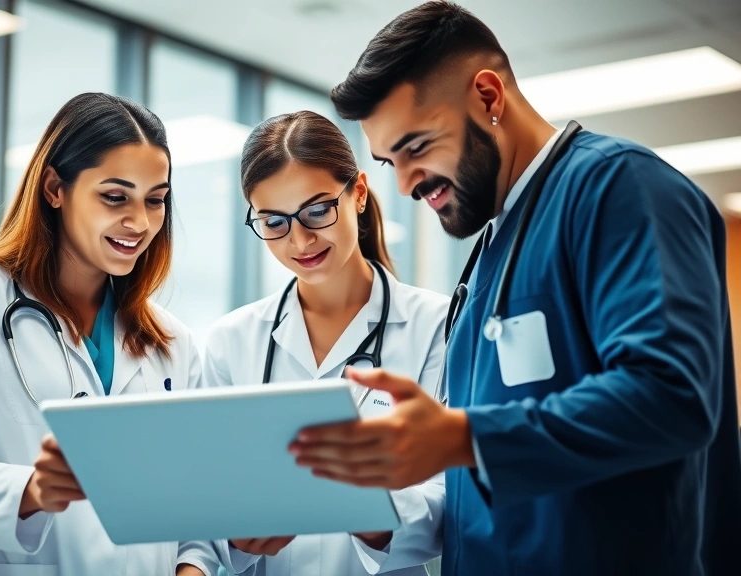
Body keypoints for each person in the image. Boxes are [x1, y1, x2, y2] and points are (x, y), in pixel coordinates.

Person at [289, 2, 741, 575]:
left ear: (488, 96)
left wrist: (462, 435)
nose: (403, 184)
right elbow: (483, 491)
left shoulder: (619, 187)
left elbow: (672, 396)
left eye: (417, 148)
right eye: (388, 161)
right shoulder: (492, 248)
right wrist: (364, 501)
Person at [0, 93, 209, 576]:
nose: (139, 222)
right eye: (115, 197)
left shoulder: (171, 342)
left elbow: (195, 503)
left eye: (155, 200)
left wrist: (193, 568)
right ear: (55, 187)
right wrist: (30, 490)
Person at [181, 111, 448, 576]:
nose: (300, 240)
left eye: (318, 210)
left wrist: (375, 516)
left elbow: (456, 495)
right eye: (273, 221)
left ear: (359, 193)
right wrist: (231, 537)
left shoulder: (437, 326)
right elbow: (205, 503)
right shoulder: (232, 341)